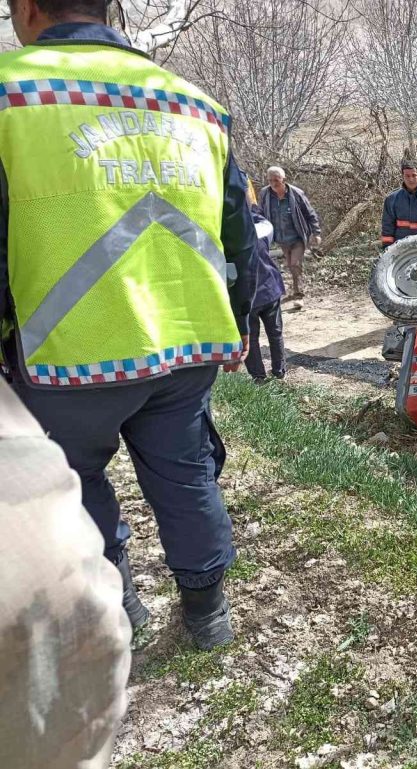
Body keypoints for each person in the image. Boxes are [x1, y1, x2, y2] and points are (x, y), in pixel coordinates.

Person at [0, 0, 256, 650]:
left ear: (27, 10)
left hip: (66, 353)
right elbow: (238, 237)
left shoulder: (12, 94)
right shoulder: (195, 104)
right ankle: (208, 614)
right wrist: (242, 315)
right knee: (186, 472)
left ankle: (121, 608)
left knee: (76, 479)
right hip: (185, 339)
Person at [0, 379, 131, 769]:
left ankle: (142, 601)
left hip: (67, 371)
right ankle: (207, 612)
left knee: (86, 472)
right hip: (186, 356)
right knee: (184, 475)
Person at [258, 165, 321, 299]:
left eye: (276, 180)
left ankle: (298, 294)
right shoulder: (265, 194)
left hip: (297, 236)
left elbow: (310, 213)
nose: (273, 183)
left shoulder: (296, 194)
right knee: (291, 265)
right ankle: (295, 288)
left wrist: (316, 233)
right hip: (281, 238)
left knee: (295, 264)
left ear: (284, 179)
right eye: (270, 180)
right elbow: (261, 213)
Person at [245, 181, 287, 381]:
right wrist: (252, 207)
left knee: (251, 338)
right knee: (275, 333)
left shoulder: (226, 233)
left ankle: (258, 377)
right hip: (269, 289)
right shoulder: (263, 227)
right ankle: (279, 372)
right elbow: (262, 222)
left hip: (246, 295)